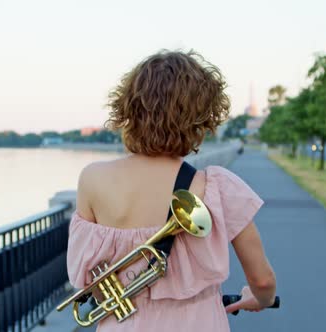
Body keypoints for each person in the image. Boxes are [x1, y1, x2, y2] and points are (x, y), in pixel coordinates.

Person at [67, 50, 276, 331]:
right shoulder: (217, 187)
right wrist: (260, 299)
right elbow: (262, 281)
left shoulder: (92, 179)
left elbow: (92, 286)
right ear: (200, 119)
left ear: (129, 110)